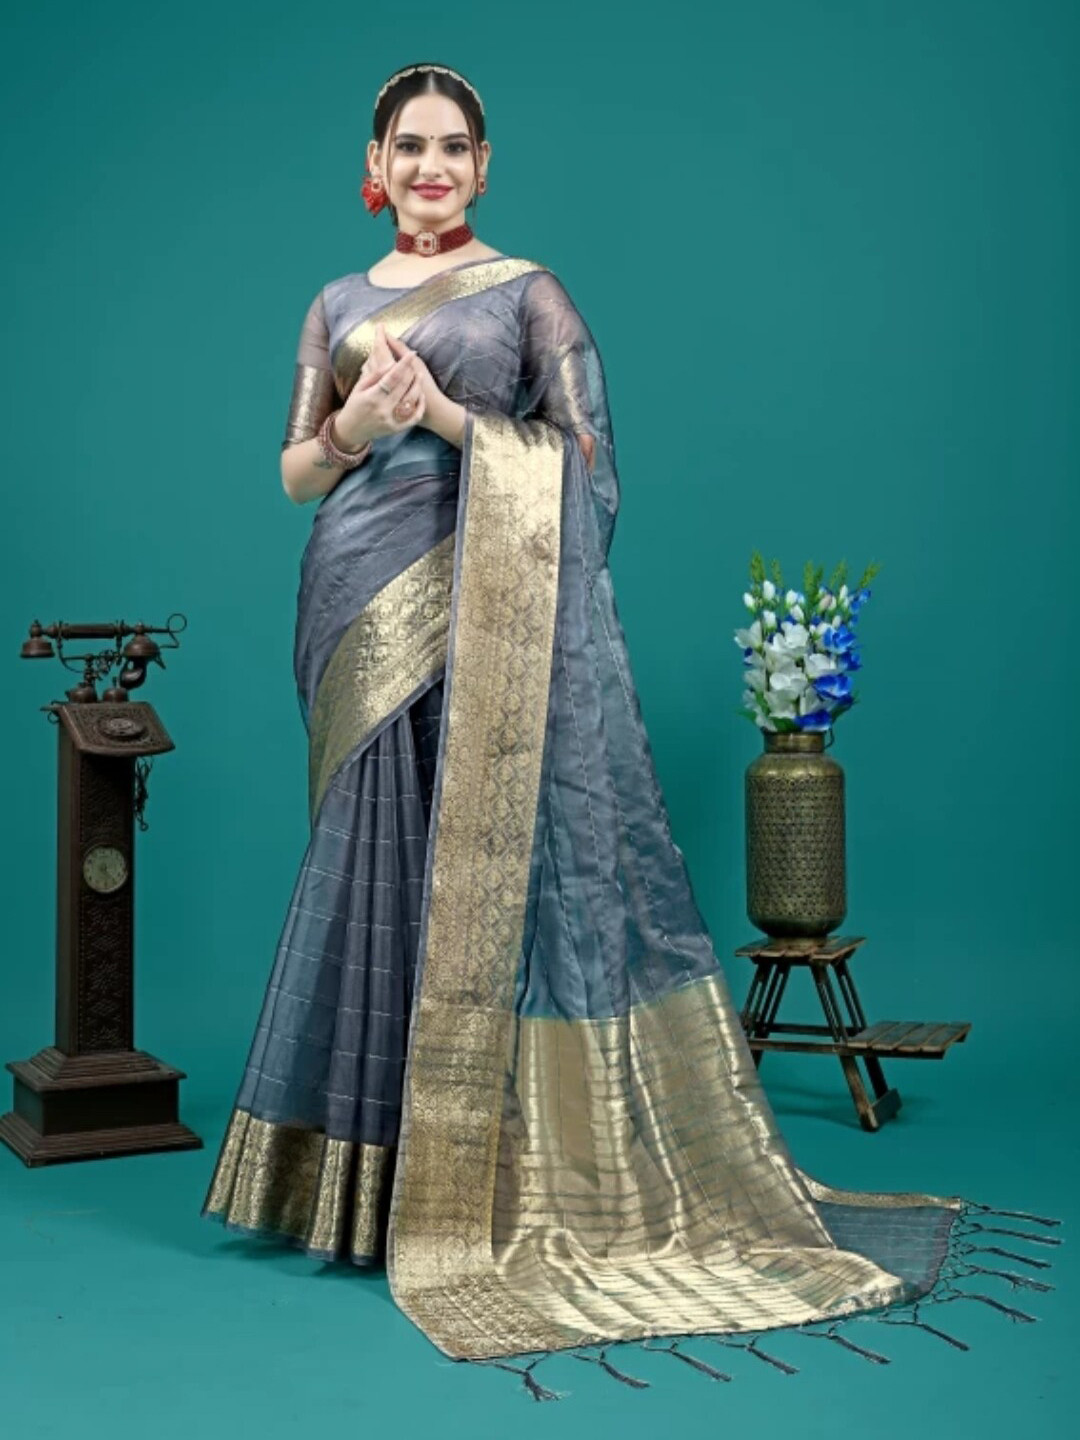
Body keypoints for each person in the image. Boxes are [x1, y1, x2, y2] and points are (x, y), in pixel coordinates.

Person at [201, 62, 1058, 1396]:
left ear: (485, 165)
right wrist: (357, 427)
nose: (430, 168)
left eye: (453, 148)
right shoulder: (334, 301)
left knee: (473, 873)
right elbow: (294, 472)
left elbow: (589, 470)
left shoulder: (530, 295)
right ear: (374, 162)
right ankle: (362, 1186)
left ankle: (477, 1182)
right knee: (372, 863)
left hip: (487, 604)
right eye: (408, 146)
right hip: (356, 600)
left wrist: (448, 419)